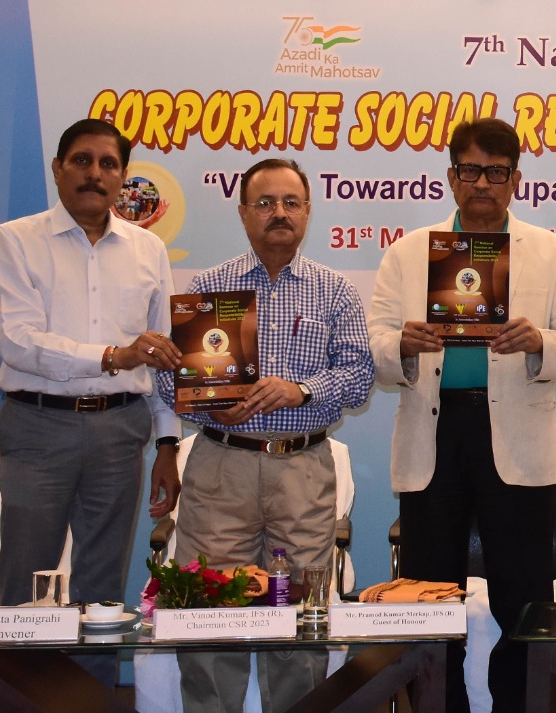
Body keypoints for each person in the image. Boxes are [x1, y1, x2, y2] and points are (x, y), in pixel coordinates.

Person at [368, 117, 556, 712]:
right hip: (433, 435)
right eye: (470, 170)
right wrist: (402, 346)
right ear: (451, 177)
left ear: (516, 180)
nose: (482, 184)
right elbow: (373, 346)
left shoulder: (551, 253)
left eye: (496, 173)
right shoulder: (409, 252)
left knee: (524, 602)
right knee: (429, 599)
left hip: (517, 439)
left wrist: (539, 341)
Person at [154, 158, 374, 711]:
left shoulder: (334, 291)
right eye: (265, 203)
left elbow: (359, 377)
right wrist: (208, 405)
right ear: (243, 213)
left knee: (300, 615)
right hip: (221, 467)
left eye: (290, 203)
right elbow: (166, 379)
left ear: (307, 212)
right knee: (208, 612)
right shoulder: (208, 287)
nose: (279, 213)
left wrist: (301, 390)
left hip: (302, 470)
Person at [0, 118, 183, 685]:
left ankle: (91, 695)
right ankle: (20, 695)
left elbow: (163, 354)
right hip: (37, 426)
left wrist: (168, 442)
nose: (95, 174)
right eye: (82, 161)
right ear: (58, 168)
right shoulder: (15, 240)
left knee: (102, 589)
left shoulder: (147, 249)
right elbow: (18, 341)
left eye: (108, 164)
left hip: (121, 432)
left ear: (123, 177)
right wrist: (113, 356)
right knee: (27, 579)